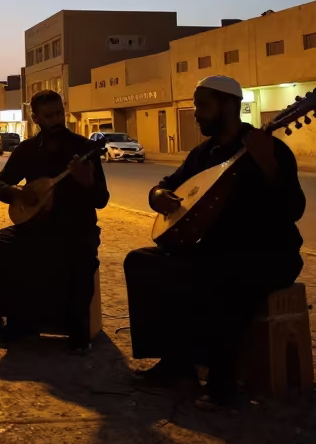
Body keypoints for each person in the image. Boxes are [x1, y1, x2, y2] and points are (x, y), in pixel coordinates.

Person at [124, 74, 306, 408]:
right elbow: (169, 183)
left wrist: (267, 165)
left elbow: (294, 209)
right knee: (142, 261)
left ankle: (222, 385)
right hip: (212, 249)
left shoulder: (270, 148)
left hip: (268, 253)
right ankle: (175, 363)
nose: (196, 113)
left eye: (203, 106)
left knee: (220, 276)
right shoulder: (204, 153)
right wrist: (158, 194)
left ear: (229, 106)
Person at [0, 90, 109, 351]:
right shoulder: (27, 149)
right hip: (36, 227)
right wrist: (18, 194)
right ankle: (17, 321)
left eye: (59, 113)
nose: (57, 119)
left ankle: (77, 328)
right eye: (49, 115)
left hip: (76, 228)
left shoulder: (85, 149)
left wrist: (87, 181)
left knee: (80, 256)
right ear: (36, 118)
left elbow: (102, 199)